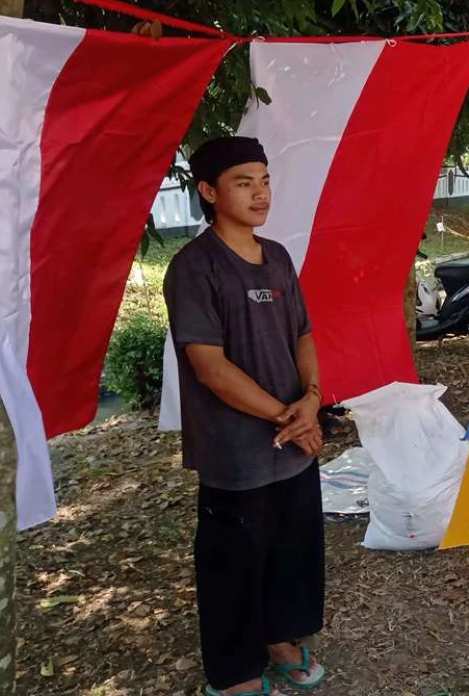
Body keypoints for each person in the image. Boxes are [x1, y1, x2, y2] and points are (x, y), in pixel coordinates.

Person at [164, 136, 327, 696]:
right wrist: (291, 414)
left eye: (264, 180)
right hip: (234, 447)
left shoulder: (278, 255)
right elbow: (210, 367)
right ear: (209, 192)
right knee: (232, 563)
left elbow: (303, 333)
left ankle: (280, 642)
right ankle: (234, 672)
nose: (260, 194)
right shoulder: (194, 267)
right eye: (243, 182)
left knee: (292, 548)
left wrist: (311, 398)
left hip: (293, 438)